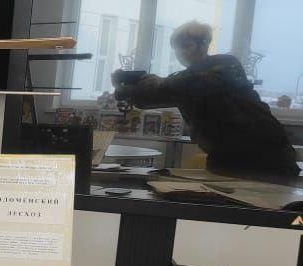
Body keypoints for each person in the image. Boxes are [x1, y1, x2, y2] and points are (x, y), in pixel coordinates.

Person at [113, 20, 298, 178]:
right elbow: (151, 97)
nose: (181, 52)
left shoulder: (225, 65)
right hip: (228, 158)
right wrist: (130, 90)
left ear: (204, 44)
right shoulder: (189, 78)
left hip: (266, 159)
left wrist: (142, 86)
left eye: (187, 45)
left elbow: (187, 85)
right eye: (177, 48)